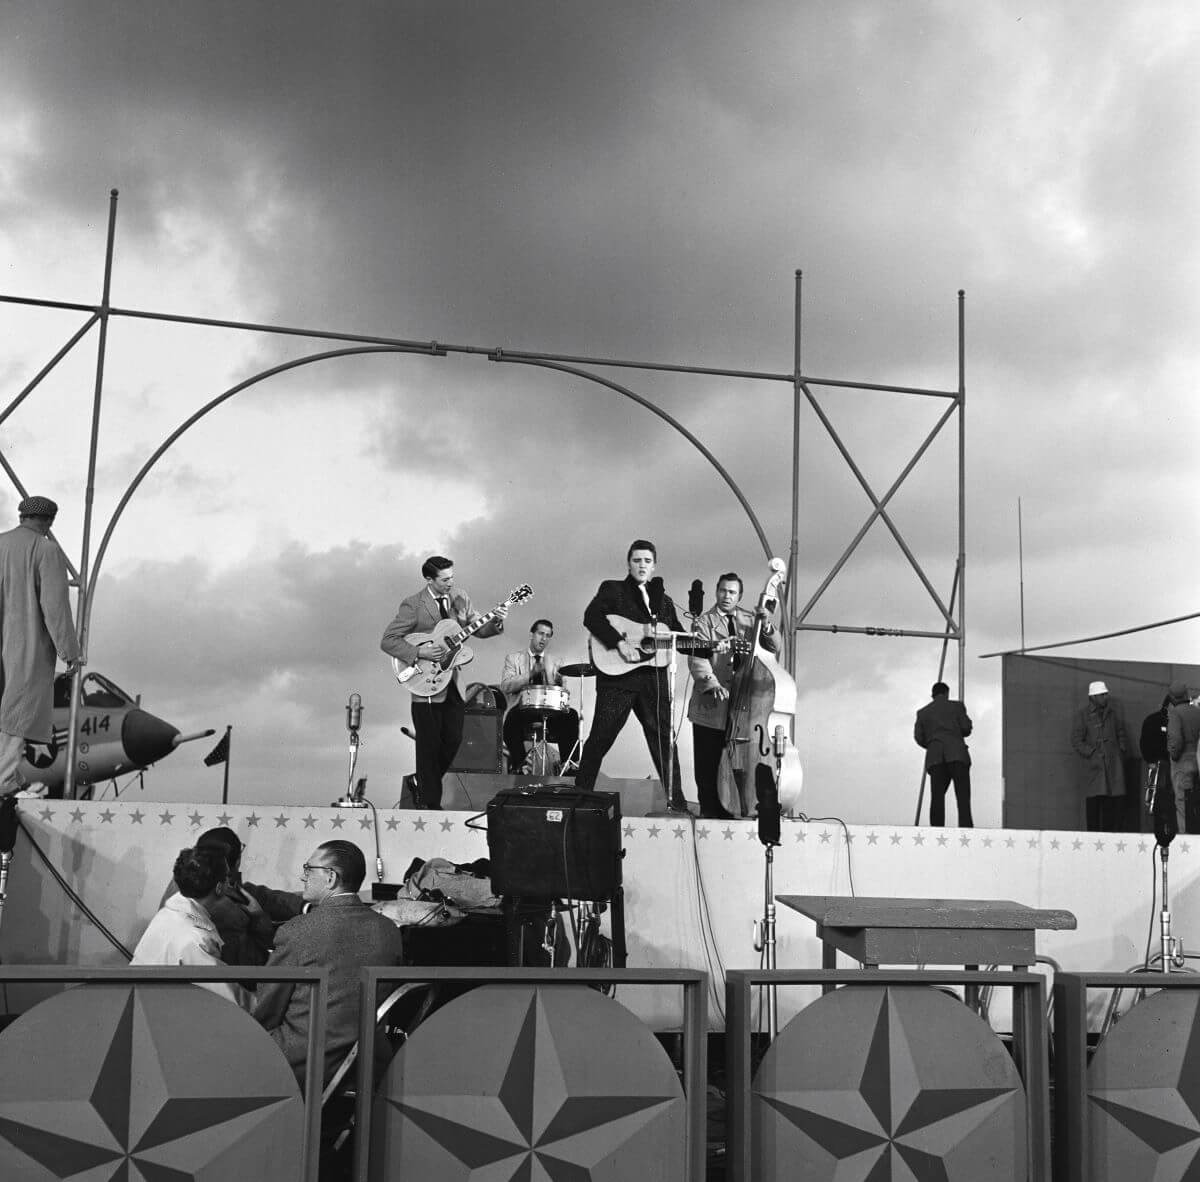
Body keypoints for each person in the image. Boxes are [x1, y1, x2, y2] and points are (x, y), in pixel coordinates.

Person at [254, 840, 404, 1089]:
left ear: (330, 877)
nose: (303, 877)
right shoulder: (389, 931)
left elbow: (267, 1010)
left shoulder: (298, 930)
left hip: (303, 1065)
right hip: (367, 1068)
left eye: (308, 869)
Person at [380, 556, 507, 808]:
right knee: (428, 744)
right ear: (429, 579)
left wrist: (497, 620)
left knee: (453, 739)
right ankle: (430, 805)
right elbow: (388, 640)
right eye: (445, 579)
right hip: (424, 682)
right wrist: (420, 653)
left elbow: (478, 628)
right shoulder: (413, 605)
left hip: (453, 682)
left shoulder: (460, 597)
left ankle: (422, 782)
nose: (451, 582)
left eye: (452, 577)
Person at [575, 540, 686, 811]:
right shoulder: (613, 589)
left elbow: (679, 636)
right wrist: (620, 643)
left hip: (654, 681)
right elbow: (592, 616)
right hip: (618, 678)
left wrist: (711, 647)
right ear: (628, 563)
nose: (642, 566)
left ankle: (678, 805)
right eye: (637, 560)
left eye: (647, 561)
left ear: (654, 566)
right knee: (601, 736)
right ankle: (577, 797)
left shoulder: (665, 602)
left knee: (664, 742)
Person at [0, 496, 81, 795]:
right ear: (49, 521)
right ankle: (4, 778)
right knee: (17, 710)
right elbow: (55, 606)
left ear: (22, 516)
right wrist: (70, 652)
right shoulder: (47, 550)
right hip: (24, 644)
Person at [686, 573, 777, 819]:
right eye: (723, 591)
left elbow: (773, 647)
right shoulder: (704, 623)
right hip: (710, 707)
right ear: (717, 591)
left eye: (732, 593)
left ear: (740, 596)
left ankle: (736, 810)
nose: (727, 596)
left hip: (741, 707)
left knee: (739, 761)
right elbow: (697, 658)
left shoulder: (750, 620)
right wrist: (711, 683)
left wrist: (766, 625)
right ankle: (709, 814)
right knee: (707, 766)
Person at [132, 846, 247, 1009]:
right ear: (219, 888)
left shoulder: (167, 913)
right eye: (227, 879)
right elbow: (235, 1002)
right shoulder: (195, 939)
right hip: (157, 1017)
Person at [189, 827, 303, 969]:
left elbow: (250, 893)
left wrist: (302, 905)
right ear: (237, 861)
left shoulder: (186, 882)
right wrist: (259, 917)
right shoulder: (228, 908)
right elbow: (254, 962)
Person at [500, 618, 580, 772]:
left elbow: (563, 693)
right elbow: (506, 685)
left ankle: (567, 764)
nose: (544, 638)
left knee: (571, 716)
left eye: (548, 635)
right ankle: (520, 765)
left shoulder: (557, 661)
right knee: (511, 720)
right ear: (532, 634)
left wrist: (558, 682)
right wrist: (529, 674)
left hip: (549, 710)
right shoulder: (513, 658)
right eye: (540, 633)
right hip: (524, 707)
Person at [1070, 680, 1129, 832]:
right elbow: (1076, 740)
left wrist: (1120, 750)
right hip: (1094, 768)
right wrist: (1092, 753)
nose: (1105, 697)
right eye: (1102, 695)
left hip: (1112, 765)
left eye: (1105, 694)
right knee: (1094, 804)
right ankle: (1093, 839)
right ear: (1093, 697)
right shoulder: (1082, 715)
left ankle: (1107, 837)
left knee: (1110, 803)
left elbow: (1121, 732)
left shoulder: (1112, 714)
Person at [914, 681, 974, 827]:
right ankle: (966, 830)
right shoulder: (957, 707)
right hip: (957, 755)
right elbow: (966, 728)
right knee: (962, 797)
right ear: (947, 693)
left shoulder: (923, 713)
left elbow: (919, 737)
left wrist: (932, 744)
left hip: (936, 758)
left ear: (932, 695)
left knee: (937, 798)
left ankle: (937, 831)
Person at [1140, 692, 1176, 837]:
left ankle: (1170, 833)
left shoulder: (1178, 721)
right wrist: (1150, 761)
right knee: (1154, 802)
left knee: (1172, 803)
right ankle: (1154, 833)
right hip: (1157, 766)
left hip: (1174, 767)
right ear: (1169, 705)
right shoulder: (1153, 720)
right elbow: (1144, 743)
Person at [1167, 682, 1200, 835]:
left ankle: (1185, 840)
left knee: (1182, 804)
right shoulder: (1196, 711)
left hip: (1181, 763)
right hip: (1197, 760)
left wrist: (1173, 755)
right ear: (1186, 694)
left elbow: (1176, 741)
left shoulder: (1175, 713)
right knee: (1195, 804)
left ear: (1172, 697)